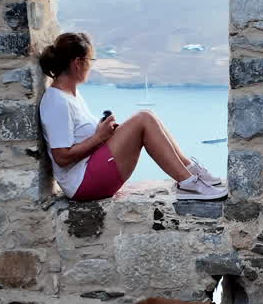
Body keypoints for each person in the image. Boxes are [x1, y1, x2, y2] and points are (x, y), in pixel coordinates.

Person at [37, 32, 228, 202]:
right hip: (81, 183)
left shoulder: (72, 96)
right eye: (90, 60)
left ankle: (191, 172)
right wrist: (98, 137)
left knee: (148, 116)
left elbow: (79, 138)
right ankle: (188, 183)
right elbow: (61, 157)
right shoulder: (57, 101)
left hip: (89, 171)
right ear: (78, 63)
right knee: (144, 118)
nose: (91, 66)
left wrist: (103, 132)